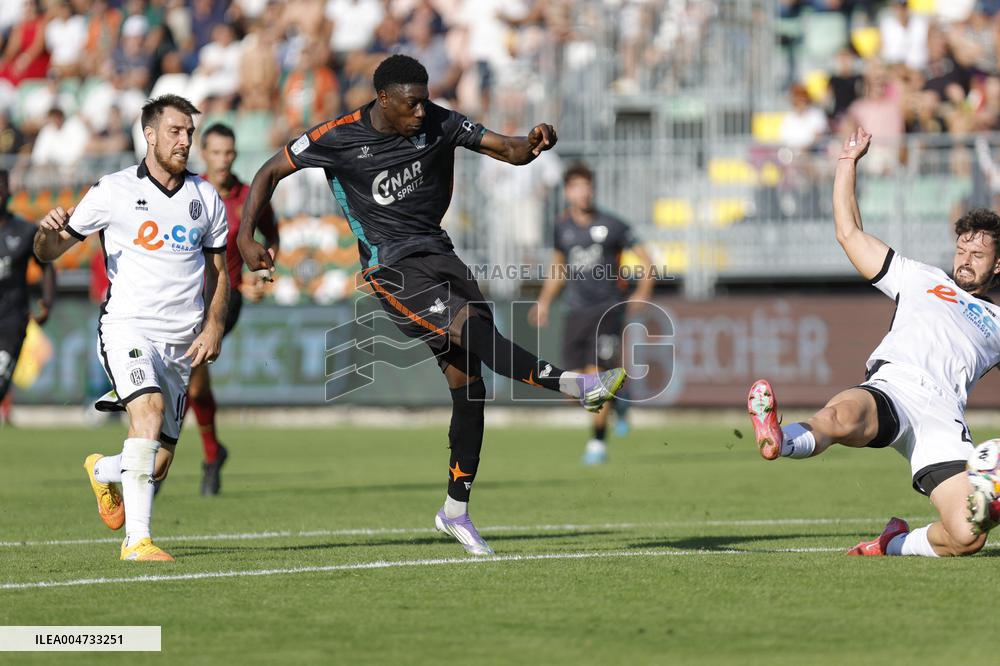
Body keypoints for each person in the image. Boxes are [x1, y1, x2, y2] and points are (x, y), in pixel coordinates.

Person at [238, 55, 626, 556]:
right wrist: (246, 236)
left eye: (424, 100)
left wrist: (530, 143)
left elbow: (506, 150)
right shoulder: (337, 136)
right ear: (383, 100)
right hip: (392, 270)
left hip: (441, 255)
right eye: (411, 102)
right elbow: (270, 171)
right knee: (480, 337)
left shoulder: (440, 120)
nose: (422, 111)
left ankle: (455, 512)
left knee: (470, 386)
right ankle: (575, 383)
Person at [746, 126, 1000, 558]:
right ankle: (779, 439)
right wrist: (847, 163)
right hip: (894, 387)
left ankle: (892, 542)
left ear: (998, 264)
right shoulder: (921, 277)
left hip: (942, 419)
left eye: (978, 255)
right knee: (843, 417)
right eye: (961, 250)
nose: (965, 260)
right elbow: (850, 233)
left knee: (967, 537)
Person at [34, 94, 230, 562]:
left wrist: (214, 325)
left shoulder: (205, 197)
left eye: (189, 133)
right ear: (149, 134)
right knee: (148, 412)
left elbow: (221, 273)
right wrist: (46, 232)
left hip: (182, 344)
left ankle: (103, 470)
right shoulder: (113, 190)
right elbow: (49, 251)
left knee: (156, 463)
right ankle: (137, 542)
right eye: (176, 131)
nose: (185, 141)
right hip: (127, 328)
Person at [529, 162, 654, 464]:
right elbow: (558, 267)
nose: (583, 193)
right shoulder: (562, 227)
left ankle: (597, 443)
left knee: (596, 381)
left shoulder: (613, 225)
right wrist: (544, 301)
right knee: (574, 392)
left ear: (593, 190)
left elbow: (648, 262)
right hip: (576, 312)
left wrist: (642, 292)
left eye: (587, 187)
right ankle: (620, 402)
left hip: (608, 309)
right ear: (568, 192)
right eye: (577, 187)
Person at [191, 122, 279, 496]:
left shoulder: (249, 196)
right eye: (216, 152)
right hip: (185, 297)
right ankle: (213, 453)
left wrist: (262, 273)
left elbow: (271, 237)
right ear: (203, 153)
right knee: (193, 386)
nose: (223, 160)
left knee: (187, 366)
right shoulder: (187, 190)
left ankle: (157, 459)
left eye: (229, 153)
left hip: (227, 296)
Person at [0, 169, 56, 424]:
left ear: (9, 192)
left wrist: (47, 301)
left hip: (11, 320)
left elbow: (45, 264)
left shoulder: (23, 230)